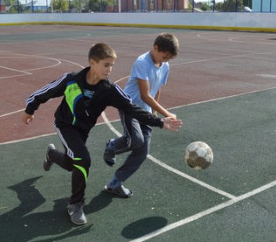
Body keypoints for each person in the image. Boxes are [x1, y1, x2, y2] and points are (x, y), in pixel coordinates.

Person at [21, 42, 182, 226]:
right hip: (64, 125)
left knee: (70, 163)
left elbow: (132, 108)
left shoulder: (109, 90)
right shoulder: (71, 80)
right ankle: (75, 204)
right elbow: (45, 92)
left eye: (112, 65)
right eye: (106, 65)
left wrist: (160, 121)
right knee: (82, 159)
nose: (110, 69)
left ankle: (51, 154)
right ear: (92, 62)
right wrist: (29, 109)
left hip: (82, 131)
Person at [103, 33, 179, 198]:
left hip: (146, 112)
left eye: (169, 59)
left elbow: (157, 88)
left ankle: (115, 183)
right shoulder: (142, 62)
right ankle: (112, 146)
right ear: (156, 48)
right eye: (164, 56)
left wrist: (154, 113)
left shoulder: (165, 66)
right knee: (136, 140)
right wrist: (167, 114)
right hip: (129, 106)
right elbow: (145, 95)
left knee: (142, 152)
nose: (166, 60)